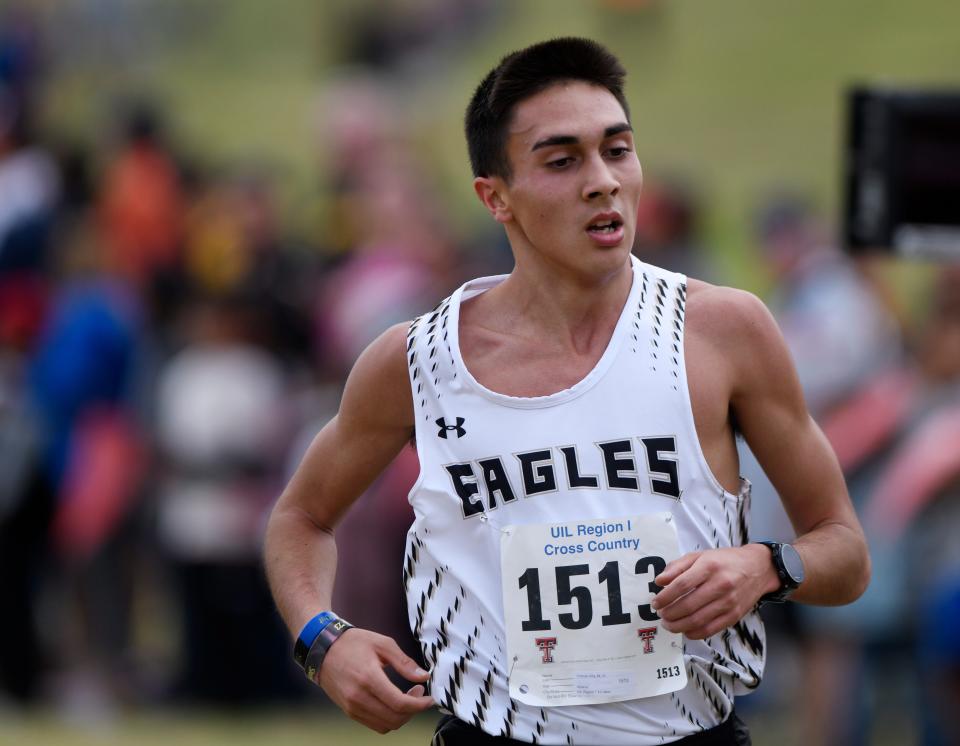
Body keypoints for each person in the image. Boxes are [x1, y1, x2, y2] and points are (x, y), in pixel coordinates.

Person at [264, 37, 870, 745]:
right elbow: (301, 518)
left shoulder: (723, 330)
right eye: (562, 161)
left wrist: (766, 566)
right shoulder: (417, 360)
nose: (603, 181)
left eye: (617, 150)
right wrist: (321, 637)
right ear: (496, 198)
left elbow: (845, 551)